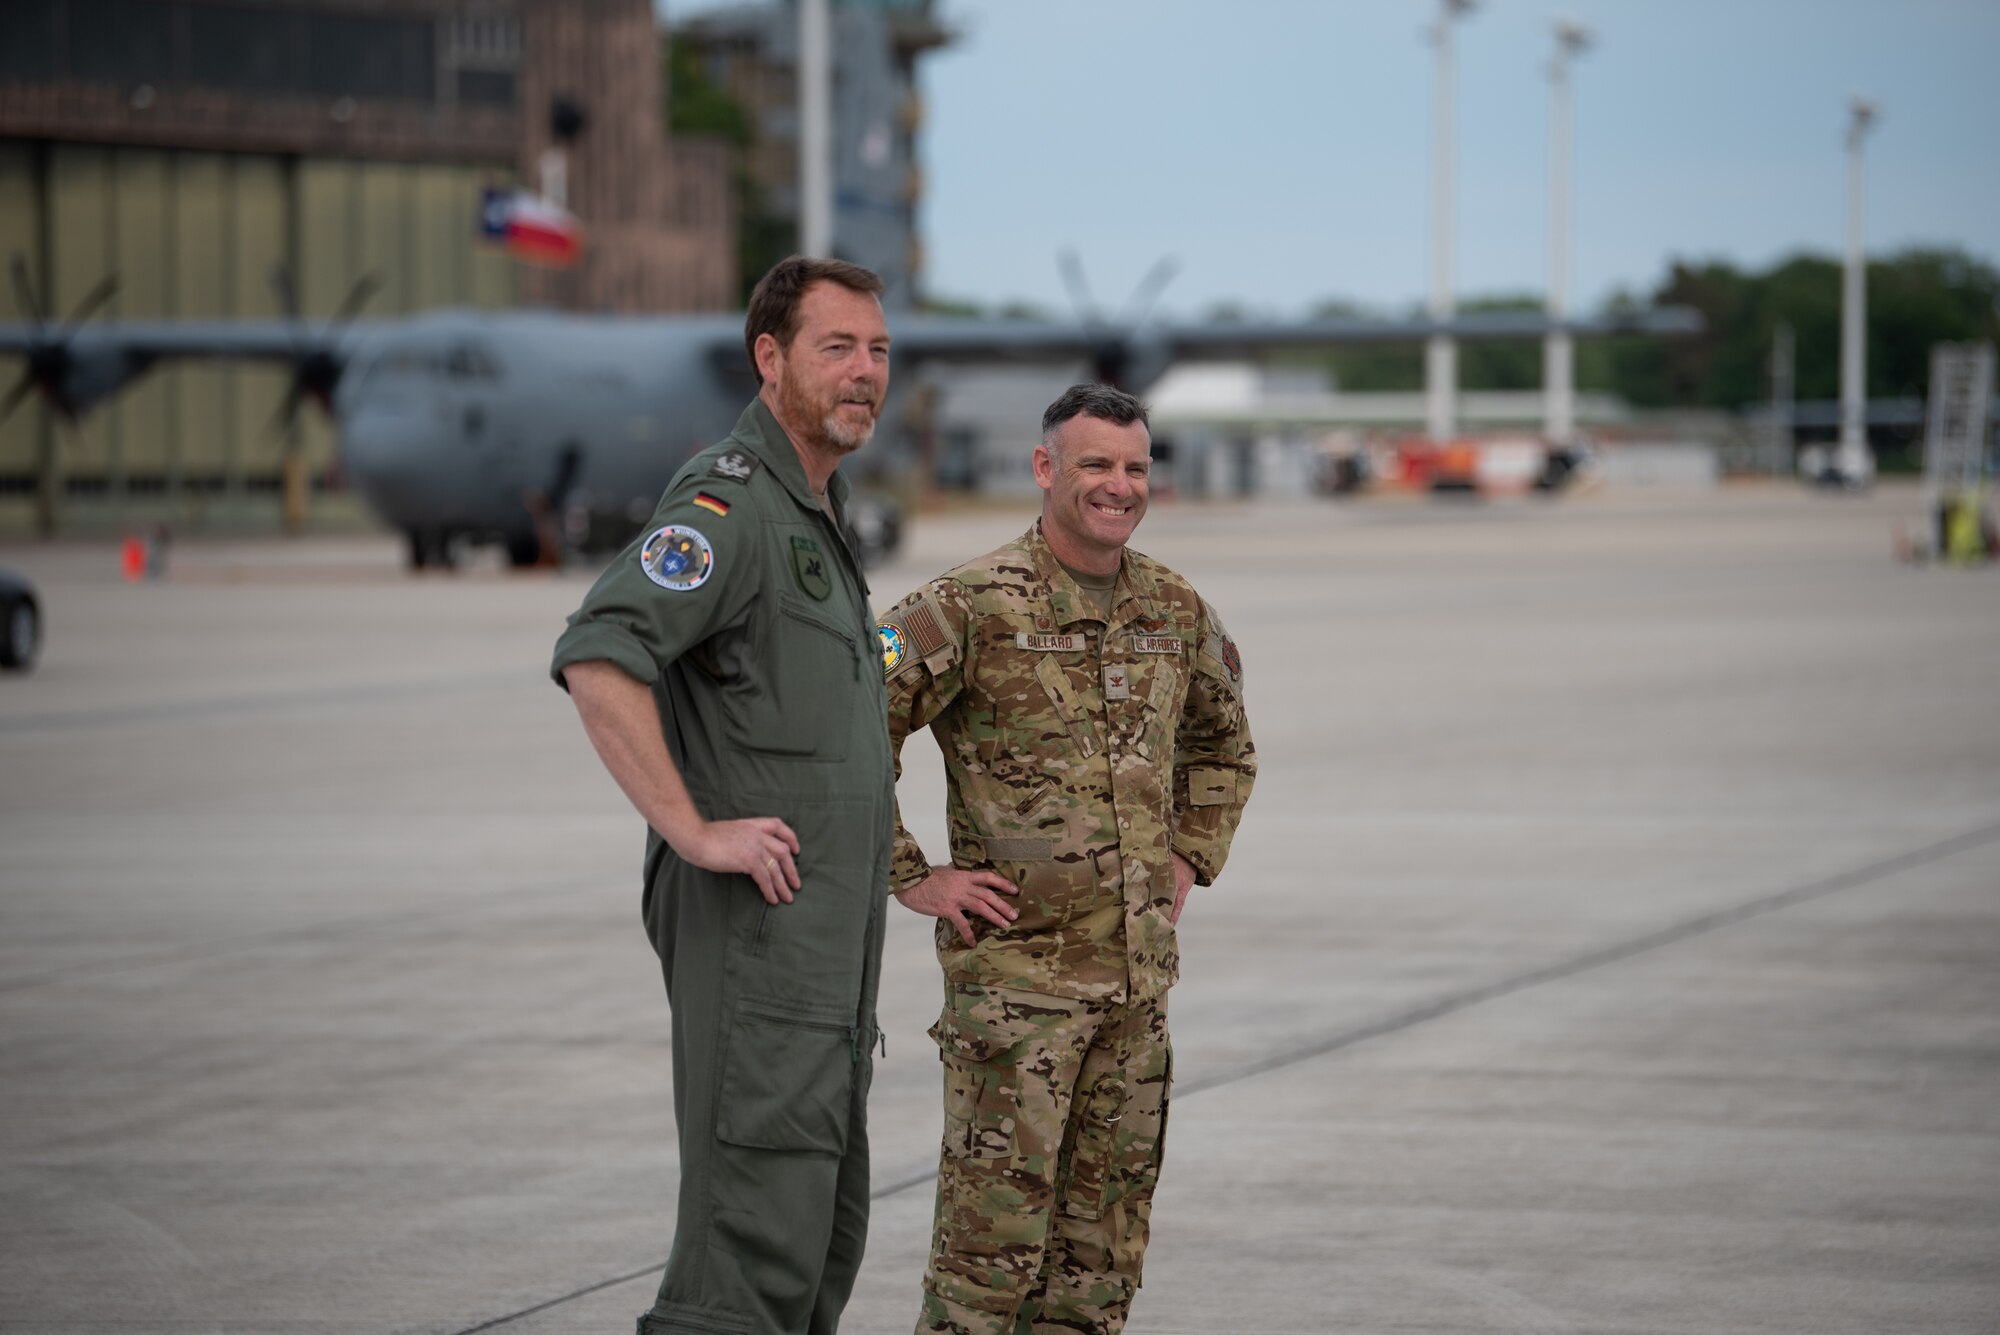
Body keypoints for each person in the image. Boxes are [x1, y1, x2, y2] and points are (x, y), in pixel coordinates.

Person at [550, 256, 896, 1335]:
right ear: (769, 358)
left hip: (823, 962)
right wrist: (693, 831)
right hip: (760, 951)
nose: (865, 372)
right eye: (836, 347)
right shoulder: (729, 504)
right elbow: (601, 657)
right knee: (742, 1259)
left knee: (813, 1238)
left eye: (878, 350)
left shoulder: (818, 513)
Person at [878, 383, 1258, 1334]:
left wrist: (1186, 857)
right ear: (1045, 468)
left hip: (1135, 1001)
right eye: (1095, 464)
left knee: (1099, 1267)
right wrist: (911, 874)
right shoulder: (967, 605)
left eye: (1134, 467)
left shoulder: (1174, 608)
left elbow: (1225, 745)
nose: (1118, 486)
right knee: (984, 1268)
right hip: (1017, 1001)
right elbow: (844, 732)